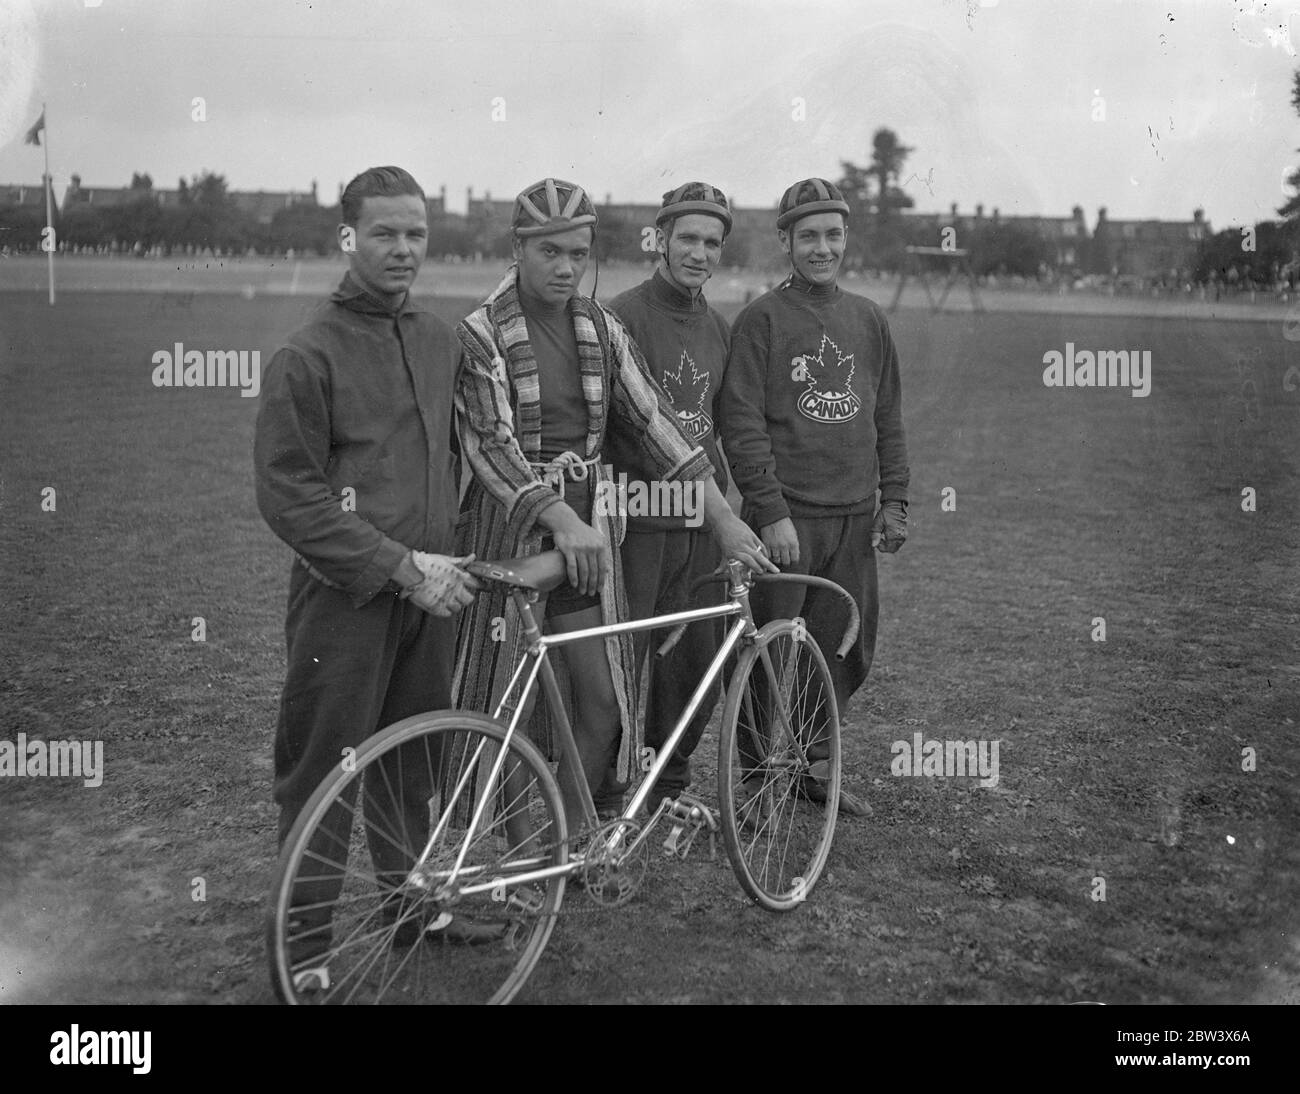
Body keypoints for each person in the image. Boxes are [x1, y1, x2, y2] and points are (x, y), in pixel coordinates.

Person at [453, 177, 770, 832]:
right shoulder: (480, 335)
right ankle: (518, 861)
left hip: (591, 540)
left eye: (578, 252)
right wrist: (561, 517)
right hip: (512, 533)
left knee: (603, 705)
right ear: (518, 248)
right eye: (550, 252)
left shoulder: (599, 325)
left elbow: (657, 426)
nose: (567, 267)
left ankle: (566, 844)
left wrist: (724, 518)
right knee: (506, 708)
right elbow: (491, 448)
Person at [254, 165, 480, 991]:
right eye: (384, 233)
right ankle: (306, 949)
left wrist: (437, 565)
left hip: (435, 590)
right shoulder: (304, 355)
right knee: (325, 769)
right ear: (348, 237)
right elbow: (289, 496)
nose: (403, 249)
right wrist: (396, 566)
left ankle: (413, 907)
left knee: (411, 761)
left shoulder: (439, 337)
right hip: (347, 600)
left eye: (416, 233)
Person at [718, 177, 911, 817]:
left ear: (845, 237)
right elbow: (741, 423)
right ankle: (751, 781)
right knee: (764, 648)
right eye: (808, 236)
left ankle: (812, 771)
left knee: (839, 649)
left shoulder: (867, 318)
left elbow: (887, 415)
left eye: (833, 234)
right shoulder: (761, 321)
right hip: (787, 520)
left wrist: (896, 500)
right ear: (785, 242)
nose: (822, 248)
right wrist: (770, 511)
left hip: (853, 520)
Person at [605, 181, 735, 805]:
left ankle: (669, 785)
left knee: (695, 664)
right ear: (660, 238)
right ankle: (613, 787)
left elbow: (722, 427)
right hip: (638, 520)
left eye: (713, 242)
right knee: (627, 661)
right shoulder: (620, 316)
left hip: (702, 525)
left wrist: (727, 513)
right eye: (688, 237)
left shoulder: (720, 327)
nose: (700, 253)